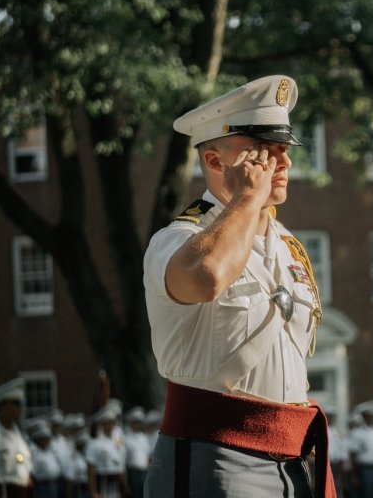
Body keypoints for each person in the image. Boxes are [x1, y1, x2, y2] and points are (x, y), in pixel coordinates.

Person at [142, 75, 335, 498]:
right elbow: (206, 276)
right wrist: (247, 198)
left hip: (294, 459)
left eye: (284, 150)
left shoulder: (288, 248)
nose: (282, 164)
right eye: (264, 153)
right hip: (218, 456)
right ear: (215, 161)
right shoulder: (176, 241)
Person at [0, 377, 33, 498]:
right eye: (16, 404)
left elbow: (23, 463)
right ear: (3, 406)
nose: (20, 409)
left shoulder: (19, 435)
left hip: (21, 490)